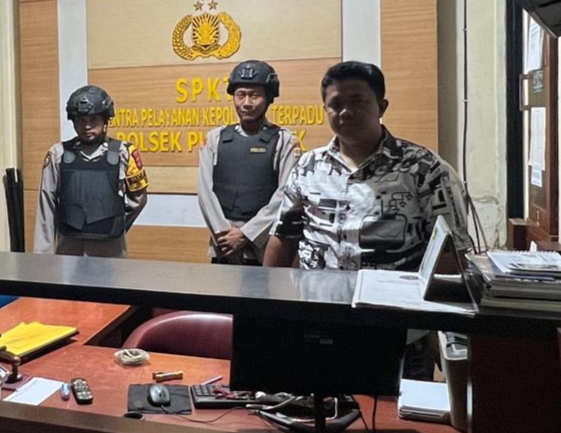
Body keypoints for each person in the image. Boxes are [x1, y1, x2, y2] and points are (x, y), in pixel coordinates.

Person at [263, 61, 471, 380]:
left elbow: (452, 254)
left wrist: (438, 324)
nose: (346, 112)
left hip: (399, 332)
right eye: (336, 104)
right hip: (319, 326)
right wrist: (267, 311)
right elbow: (283, 238)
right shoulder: (308, 167)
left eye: (357, 101)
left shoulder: (425, 169)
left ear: (381, 106)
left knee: (396, 412)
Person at [197, 60, 301, 265]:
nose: (246, 103)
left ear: (269, 98)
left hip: (266, 246)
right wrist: (225, 237)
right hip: (223, 246)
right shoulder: (215, 138)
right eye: (240, 95)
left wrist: (246, 235)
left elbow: (285, 195)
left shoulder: (284, 141)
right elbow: (205, 192)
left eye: (254, 95)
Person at [34, 85, 148, 257]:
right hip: (69, 250)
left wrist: (115, 224)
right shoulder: (58, 154)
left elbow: (138, 200)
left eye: (93, 119)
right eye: (81, 120)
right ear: (73, 121)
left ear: (105, 120)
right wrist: (43, 259)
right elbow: (46, 208)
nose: (87, 126)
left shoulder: (124, 153)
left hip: (110, 251)